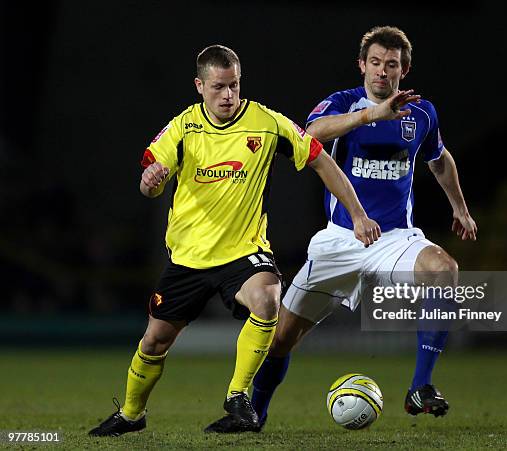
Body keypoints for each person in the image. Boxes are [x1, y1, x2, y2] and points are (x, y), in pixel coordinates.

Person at [88, 44, 380, 436]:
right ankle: (131, 413)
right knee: (155, 341)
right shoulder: (182, 128)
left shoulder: (267, 123)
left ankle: (238, 398)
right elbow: (151, 182)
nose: (228, 95)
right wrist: (150, 183)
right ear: (199, 85)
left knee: (268, 297)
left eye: (234, 86)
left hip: (244, 252)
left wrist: (358, 214)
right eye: (218, 87)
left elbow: (321, 160)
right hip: (189, 257)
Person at [249, 26, 477, 431]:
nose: (382, 72)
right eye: (375, 63)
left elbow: (439, 159)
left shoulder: (422, 112)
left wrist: (459, 207)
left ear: (404, 70)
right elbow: (308, 137)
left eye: (391, 65)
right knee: (281, 338)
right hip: (339, 239)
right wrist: (370, 115)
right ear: (361, 65)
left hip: (394, 239)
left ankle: (420, 387)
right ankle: (255, 415)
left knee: (445, 270)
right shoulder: (341, 104)